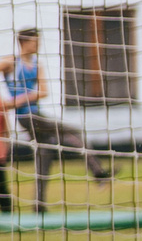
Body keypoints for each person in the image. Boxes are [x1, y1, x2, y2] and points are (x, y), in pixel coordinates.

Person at [8, 26, 111, 213]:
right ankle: (98, 172)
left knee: (44, 155)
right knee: (74, 131)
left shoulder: (37, 64)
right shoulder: (12, 62)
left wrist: (22, 98)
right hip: (27, 117)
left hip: (35, 114)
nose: (38, 45)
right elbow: (36, 93)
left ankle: (38, 205)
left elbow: (44, 92)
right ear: (24, 42)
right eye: (34, 42)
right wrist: (10, 102)